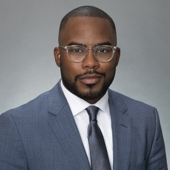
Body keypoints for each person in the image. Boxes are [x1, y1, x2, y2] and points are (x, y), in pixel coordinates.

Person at [0, 5, 167, 170]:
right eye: (77, 50)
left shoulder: (146, 119)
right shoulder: (17, 126)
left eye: (102, 50)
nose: (90, 63)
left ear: (116, 57)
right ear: (58, 57)